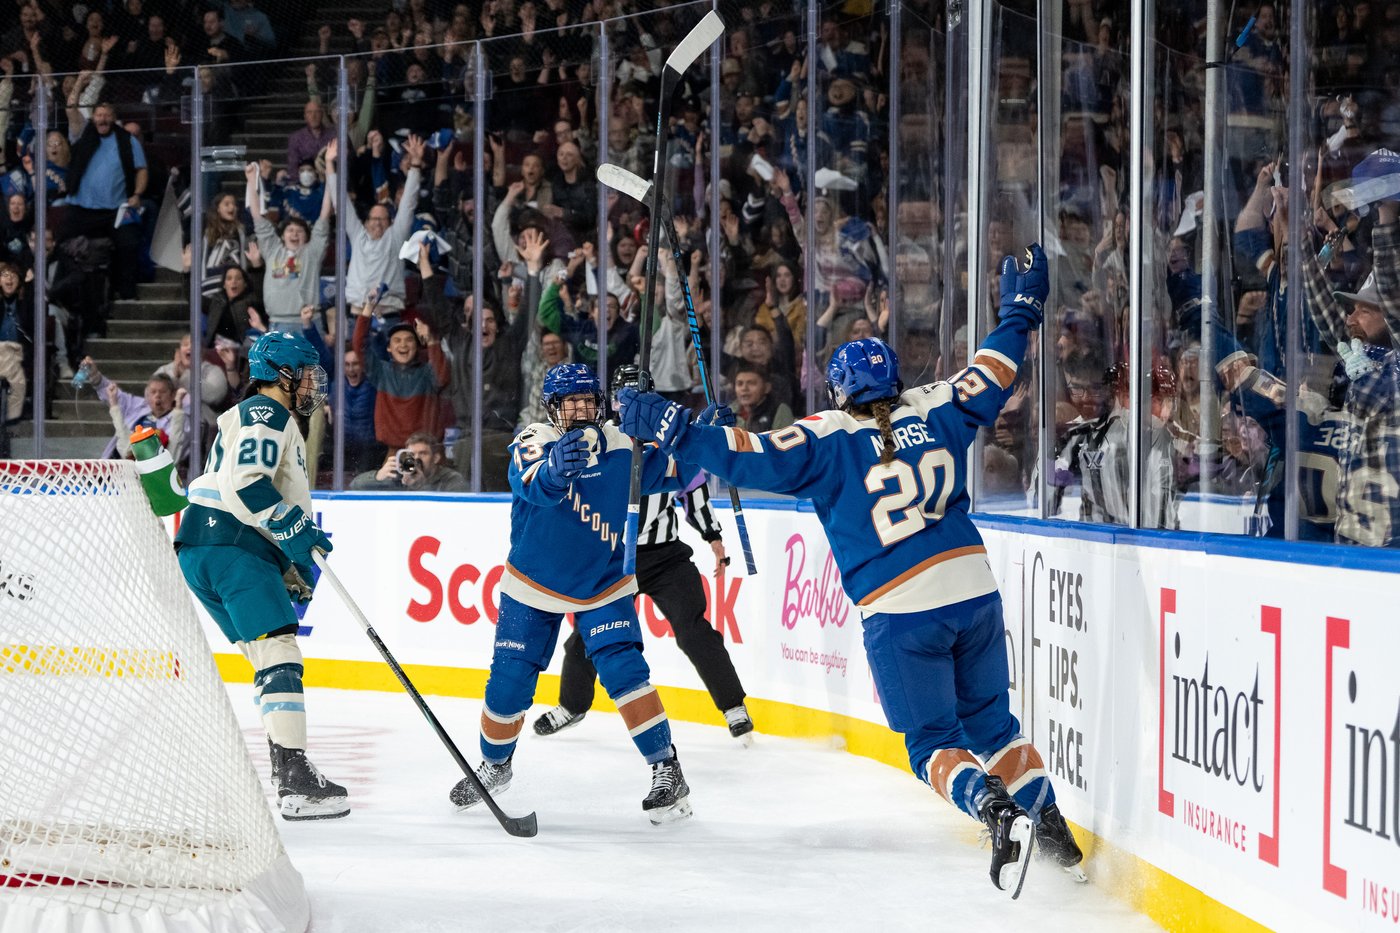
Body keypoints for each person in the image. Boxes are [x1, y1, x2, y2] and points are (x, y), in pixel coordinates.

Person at [617, 245, 1084, 893]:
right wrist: (1021, 310)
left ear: (841, 389)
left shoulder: (827, 433)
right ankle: (1053, 826)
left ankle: (993, 807)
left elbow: (747, 454)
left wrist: (671, 423)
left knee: (931, 743)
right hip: (974, 588)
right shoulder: (937, 403)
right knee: (993, 723)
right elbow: (994, 368)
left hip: (899, 608)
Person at [450, 363, 695, 825]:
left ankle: (667, 768)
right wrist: (556, 473)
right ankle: (496, 765)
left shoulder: (625, 446)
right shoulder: (533, 441)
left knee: (625, 671)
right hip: (532, 583)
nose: (581, 409)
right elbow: (535, 487)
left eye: (588, 400)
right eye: (571, 402)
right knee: (507, 684)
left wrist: (701, 436)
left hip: (603, 583)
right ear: (553, 408)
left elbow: (682, 473)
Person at [173, 331, 348, 822]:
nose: (314, 383)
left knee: (267, 656)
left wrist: (287, 559)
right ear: (283, 374)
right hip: (232, 547)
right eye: (307, 373)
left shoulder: (254, 416)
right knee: (278, 650)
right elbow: (246, 482)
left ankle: (286, 767)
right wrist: (293, 531)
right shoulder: (267, 413)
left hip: (207, 547)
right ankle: (293, 777)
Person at [533, 365, 755, 743]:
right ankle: (572, 705)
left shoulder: (669, 438)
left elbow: (692, 484)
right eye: (622, 395)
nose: (628, 401)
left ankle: (734, 706)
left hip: (667, 557)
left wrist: (712, 535)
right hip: (617, 556)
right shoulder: (608, 440)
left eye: (637, 394)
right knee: (588, 634)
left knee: (693, 628)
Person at [349, 431, 468, 492]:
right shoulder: (399, 474)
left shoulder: (452, 479)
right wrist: (377, 477)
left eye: (423, 453)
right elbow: (355, 486)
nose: (416, 459)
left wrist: (421, 484)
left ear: (435, 458)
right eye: (411, 454)